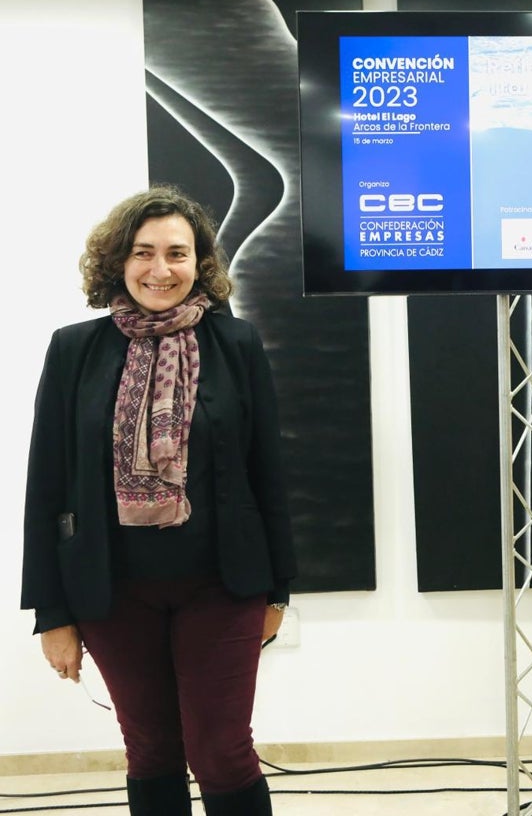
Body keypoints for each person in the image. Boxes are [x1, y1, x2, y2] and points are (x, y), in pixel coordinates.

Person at [21, 185, 297, 816]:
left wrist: (279, 587)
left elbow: (267, 471)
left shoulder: (238, 344)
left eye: (178, 253)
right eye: (144, 252)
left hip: (222, 585)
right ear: (119, 261)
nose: (160, 269)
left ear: (199, 264)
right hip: (112, 589)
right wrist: (52, 613)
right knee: (150, 749)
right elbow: (47, 484)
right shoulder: (73, 349)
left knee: (222, 748)